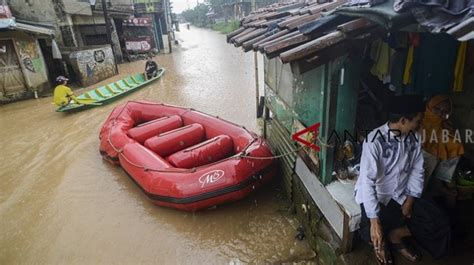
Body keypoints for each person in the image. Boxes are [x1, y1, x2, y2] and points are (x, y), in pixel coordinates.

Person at [355, 95, 425, 264]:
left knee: (436, 221)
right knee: (369, 232)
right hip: (378, 195)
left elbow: (418, 169)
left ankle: (394, 236)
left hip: (401, 195)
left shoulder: (414, 139)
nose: (419, 125)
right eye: (417, 120)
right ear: (403, 120)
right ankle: (384, 240)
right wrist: (374, 221)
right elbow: (367, 181)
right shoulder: (374, 141)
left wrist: (410, 200)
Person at [422, 95, 464, 207]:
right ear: (429, 107)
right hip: (419, 176)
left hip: (441, 174)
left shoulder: (446, 126)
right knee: (430, 157)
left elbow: (453, 150)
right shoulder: (418, 123)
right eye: (437, 109)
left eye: (445, 112)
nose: (440, 114)